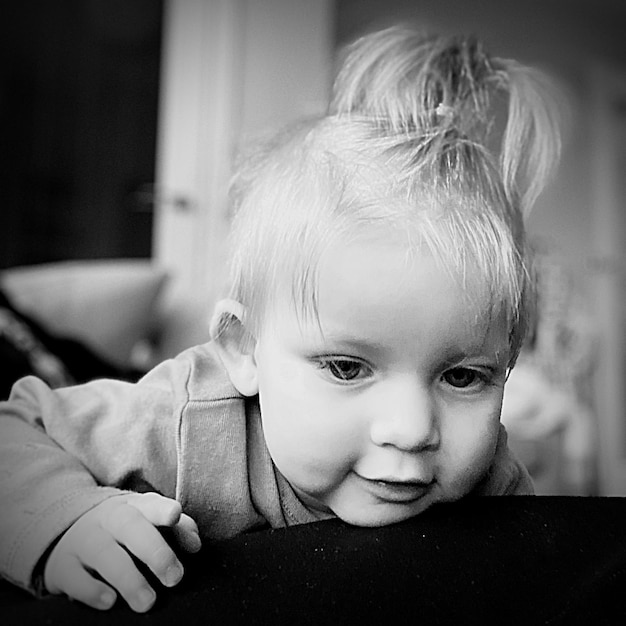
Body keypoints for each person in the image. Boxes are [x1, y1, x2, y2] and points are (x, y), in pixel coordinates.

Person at [0, 25, 561, 613]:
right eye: (346, 367)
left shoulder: (489, 477)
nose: (411, 428)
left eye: (463, 376)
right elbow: (17, 428)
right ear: (245, 350)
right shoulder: (187, 421)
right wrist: (65, 520)